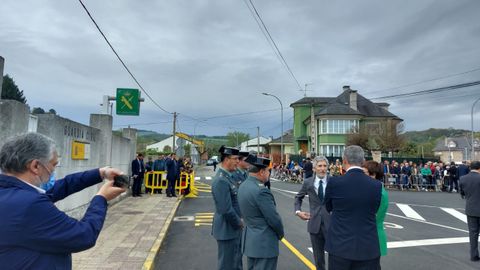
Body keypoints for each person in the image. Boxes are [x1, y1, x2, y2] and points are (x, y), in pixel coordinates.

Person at [0, 132, 126, 269]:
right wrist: (101, 198)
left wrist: (100, 173)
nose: (54, 171)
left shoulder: (11, 192)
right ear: (35, 166)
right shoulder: (29, 205)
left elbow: (63, 186)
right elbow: (83, 235)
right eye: (53, 165)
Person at [324, 145, 382, 269]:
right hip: (368, 248)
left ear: (344, 160)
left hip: (340, 247)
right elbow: (374, 209)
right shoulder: (376, 185)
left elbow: (328, 207)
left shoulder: (334, 183)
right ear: (363, 162)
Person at [238, 156, 284, 270]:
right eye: (268, 171)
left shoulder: (243, 185)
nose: (269, 173)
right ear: (261, 172)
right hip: (264, 243)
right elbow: (274, 219)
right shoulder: (261, 191)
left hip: (251, 242)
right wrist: (280, 233)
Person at [294, 155, 331, 270]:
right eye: (319, 166)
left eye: (325, 166)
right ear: (314, 168)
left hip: (332, 225)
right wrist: (298, 211)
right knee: (318, 258)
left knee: (335, 256)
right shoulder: (308, 182)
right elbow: (298, 197)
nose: (322, 168)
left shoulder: (334, 181)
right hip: (315, 225)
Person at [211, 146, 243, 270]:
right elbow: (225, 209)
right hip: (227, 229)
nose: (237, 162)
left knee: (235, 263)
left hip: (231, 229)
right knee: (227, 265)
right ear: (226, 159)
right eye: (235, 159)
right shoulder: (221, 180)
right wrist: (239, 222)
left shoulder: (228, 177)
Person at [363, 160, 389, 269]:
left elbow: (372, 216)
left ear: (373, 175)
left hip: (372, 236)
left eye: (364, 173)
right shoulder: (376, 190)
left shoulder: (379, 193)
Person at [459, 161, 480, 262]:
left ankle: (474, 255)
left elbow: (462, 193)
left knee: (473, 233)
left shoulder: (463, 178)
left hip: (471, 208)